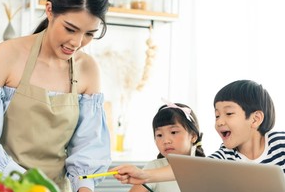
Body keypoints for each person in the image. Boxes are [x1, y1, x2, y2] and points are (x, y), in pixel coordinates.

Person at [0, 0, 111, 192]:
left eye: (89, 34)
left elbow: (88, 145)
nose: (76, 43)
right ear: (49, 11)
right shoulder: (8, 54)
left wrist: (85, 190)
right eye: (70, 29)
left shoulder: (88, 69)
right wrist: (21, 179)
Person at [113, 79, 285, 185]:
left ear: (255, 119)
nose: (219, 121)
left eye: (229, 113)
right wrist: (144, 175)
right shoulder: (226, 156)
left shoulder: (280, 144)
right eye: (217, 115)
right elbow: (192, 170)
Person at [122, 101, 205, 192]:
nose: (166, 141)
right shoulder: (154, 167)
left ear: (193, 136)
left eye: (174, 132)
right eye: (159, 135)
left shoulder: (206, 168)